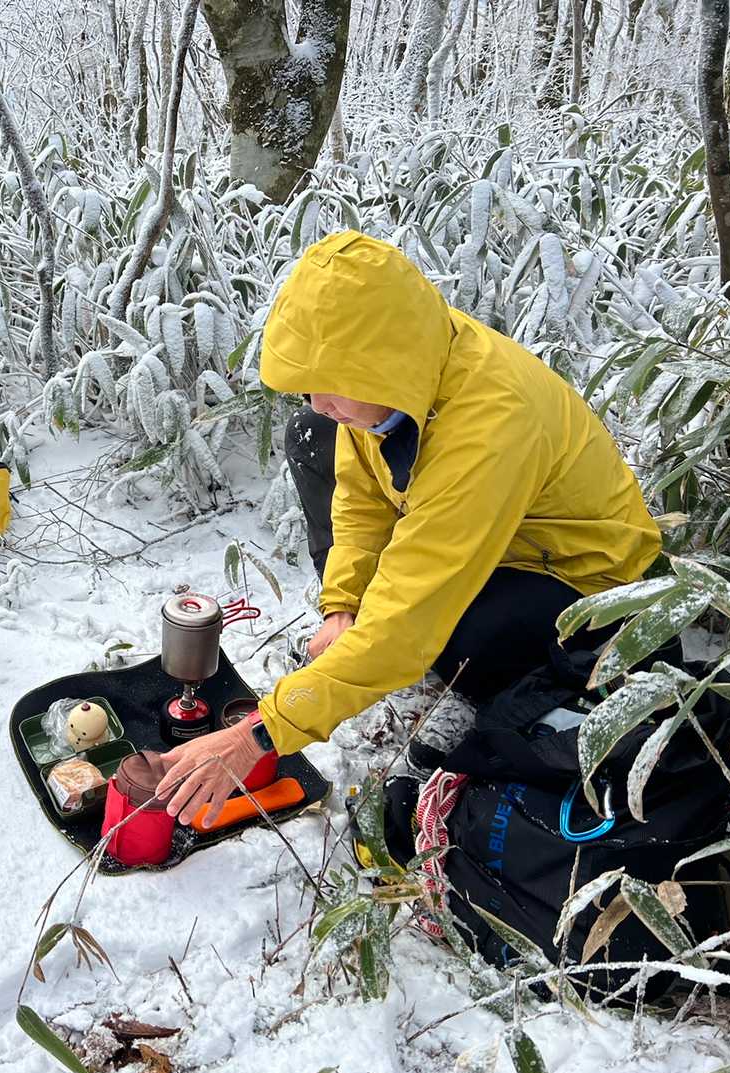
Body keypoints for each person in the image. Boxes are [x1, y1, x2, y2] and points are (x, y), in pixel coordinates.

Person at [159, 231, 661, 825]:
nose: (317, 400)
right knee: (314, 436)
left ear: (382, 364)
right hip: (490, 540)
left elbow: (410, 618)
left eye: (331, 382)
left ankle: (482, 692)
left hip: (586, 581)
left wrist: (260, 734)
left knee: (456, 633)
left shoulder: (489, 426)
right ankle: (361, 652)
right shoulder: (397, 379)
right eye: (311, 382)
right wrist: (343, 605)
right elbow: (361, 500)